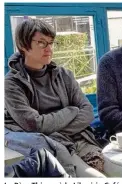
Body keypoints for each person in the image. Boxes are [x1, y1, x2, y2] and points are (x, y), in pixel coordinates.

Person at [5, 19, 105, 177]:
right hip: (53, 147)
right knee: (97, 178)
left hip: (79, 138)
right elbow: (34, 125)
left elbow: (87, 112)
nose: (49, 49)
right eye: (41, 43)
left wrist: (54, 130)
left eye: (51, 43)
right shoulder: (11, 84)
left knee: (120, 172)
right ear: (23, 46)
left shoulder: (64, 74)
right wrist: (71, 110)